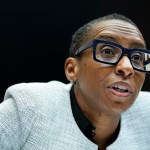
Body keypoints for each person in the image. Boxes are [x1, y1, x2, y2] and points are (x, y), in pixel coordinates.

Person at [0, 13, 150, 150]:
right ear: (72, 69)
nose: (127, 67)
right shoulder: (28, 108)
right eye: (107, 51)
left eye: (137, 57)